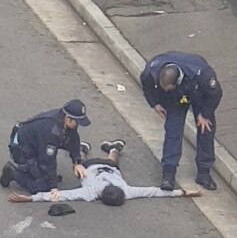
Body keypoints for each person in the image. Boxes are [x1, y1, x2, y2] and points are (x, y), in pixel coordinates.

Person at [8, 139, 201, 205]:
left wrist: (183, 192)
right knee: (83, 167)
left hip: (104, 167)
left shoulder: (124, 190)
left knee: (104, 162)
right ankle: (92, 149)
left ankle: (112, 147)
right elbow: (61, 196)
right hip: (94, 166)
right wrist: (30, 199)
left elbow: (154, 191)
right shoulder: (90, 193)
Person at [140, 51, 222, 191]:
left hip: (198, 93)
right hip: (175, 98)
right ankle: (169, 174)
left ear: (176, 81)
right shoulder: (152, 70)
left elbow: (215, 94)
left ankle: (204, 172)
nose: (164, 90)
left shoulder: (202, 74)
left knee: (205, 130)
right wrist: (154, 103)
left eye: (167, 88)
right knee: (173, 131)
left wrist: (204, 114)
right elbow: (146, 84)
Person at [0, 99, 91, 197]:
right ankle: (11, 172)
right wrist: (53, 186)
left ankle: (43, 175)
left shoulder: (63, 120)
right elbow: (47, 160)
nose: (78, 125)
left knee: (66, 142)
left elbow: (73, 139)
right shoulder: (51, 131)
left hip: (38, 141)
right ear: (68, 118)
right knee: (42, 187)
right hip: (22, 148)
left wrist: (76, 161)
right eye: (77, 122)